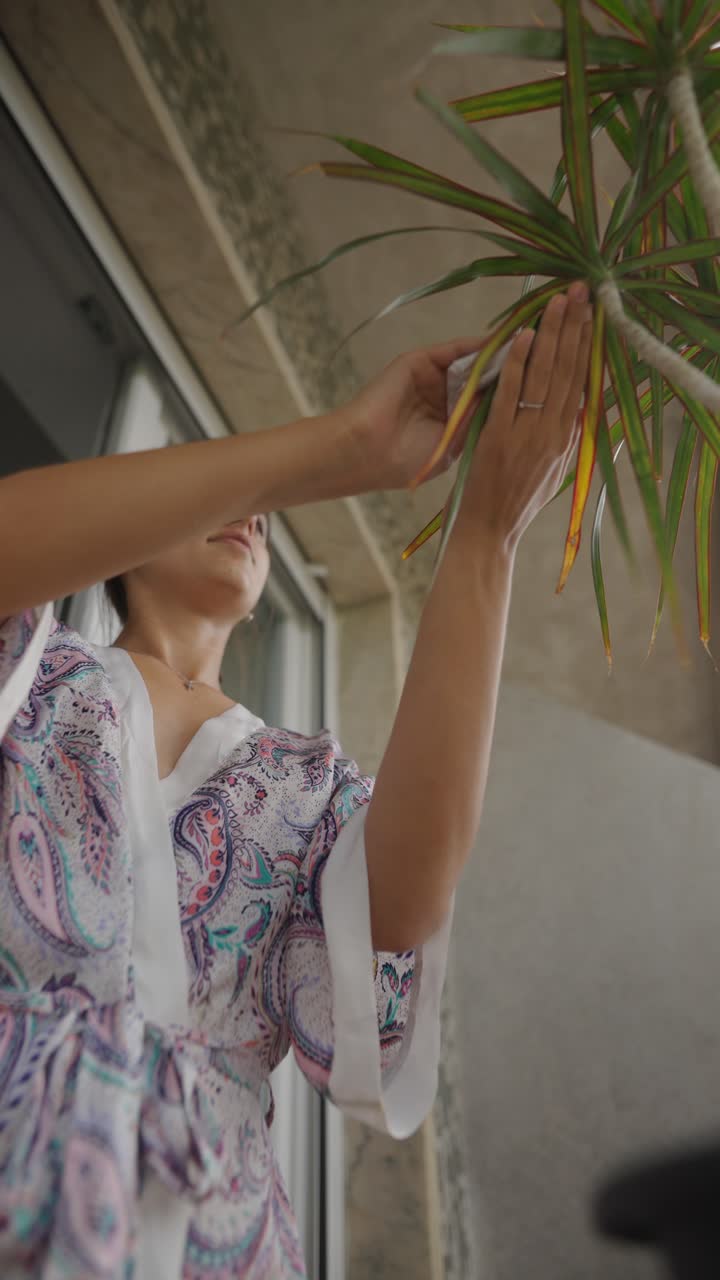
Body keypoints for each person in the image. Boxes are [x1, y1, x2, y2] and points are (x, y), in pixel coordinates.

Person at [0, 282, 592, 1279]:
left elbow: (397, 907)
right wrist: (343, 448)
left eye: (265, 517)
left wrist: (486, 530)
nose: (252, 515)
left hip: (215, 1231)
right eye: (220, 495)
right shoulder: (37, 676)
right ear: (127, 541)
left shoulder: (306, 783)